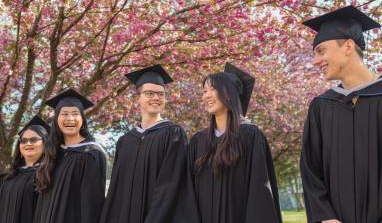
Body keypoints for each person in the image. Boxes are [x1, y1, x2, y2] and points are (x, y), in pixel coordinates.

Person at [300, 5, 382, 223]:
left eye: (321, 51)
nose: (315, 61)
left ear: (348, 46)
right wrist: (326, 218)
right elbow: (311, 170)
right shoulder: (321, 106)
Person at [99, 64, 199, 223]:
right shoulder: (125, 141)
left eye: (161, 94)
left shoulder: (173, 134)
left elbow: (171, 186)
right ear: (137, 98)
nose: (156, 98)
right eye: (149, 93)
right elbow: (116, 190)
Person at [188, 62, 281, 223]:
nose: (206, 95)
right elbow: (188, 192)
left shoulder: (251, 136)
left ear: (230, 93)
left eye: (213, 89)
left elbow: (260, 193)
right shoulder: (198, 141)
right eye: (204, 91)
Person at [33, 88, 107, 223]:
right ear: (56, 119)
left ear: (83, 120)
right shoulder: (52, 154)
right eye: (64, 114)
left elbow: (92, 206)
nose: (70, 118)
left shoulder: (90, 154)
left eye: (75, 114)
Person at [0, 116, 49, 223]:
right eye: (23, 140)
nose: (28, 143)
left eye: (34, 140)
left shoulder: (49, 175)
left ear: (45, 145)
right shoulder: (7, 177)